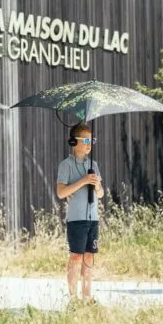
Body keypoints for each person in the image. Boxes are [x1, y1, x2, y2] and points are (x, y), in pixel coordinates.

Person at [56, 123, 104, 303]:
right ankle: (73, 297)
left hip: (93, 218)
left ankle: (87, 296)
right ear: (73, 141)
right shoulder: (66, 165)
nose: (89, 143)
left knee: (89, 256)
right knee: (76, 256)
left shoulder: (94, 165)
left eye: (92, 140)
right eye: (85, 140)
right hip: (77, 219)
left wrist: (97, 185)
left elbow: (101, 194)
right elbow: (61, 192)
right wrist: (83, 181)